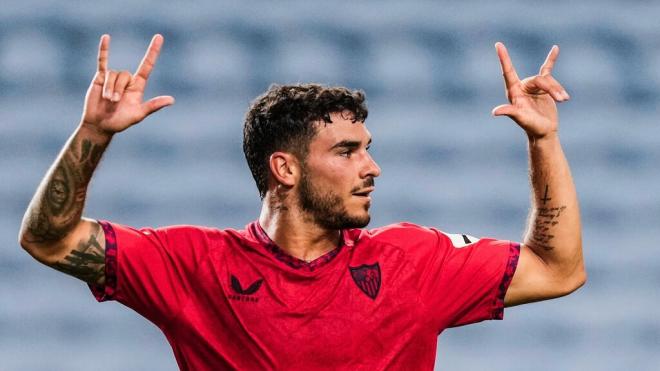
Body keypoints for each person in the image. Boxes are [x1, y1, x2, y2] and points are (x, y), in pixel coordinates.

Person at [19, 34, 586, 370]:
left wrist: (544, 140)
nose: (372, 167)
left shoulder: (413, 261)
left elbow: (557, 270)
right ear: (285, 168)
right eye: (346, 152)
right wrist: (93, 134)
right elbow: (49, 238)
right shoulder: (195, 266)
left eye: (368, 149)